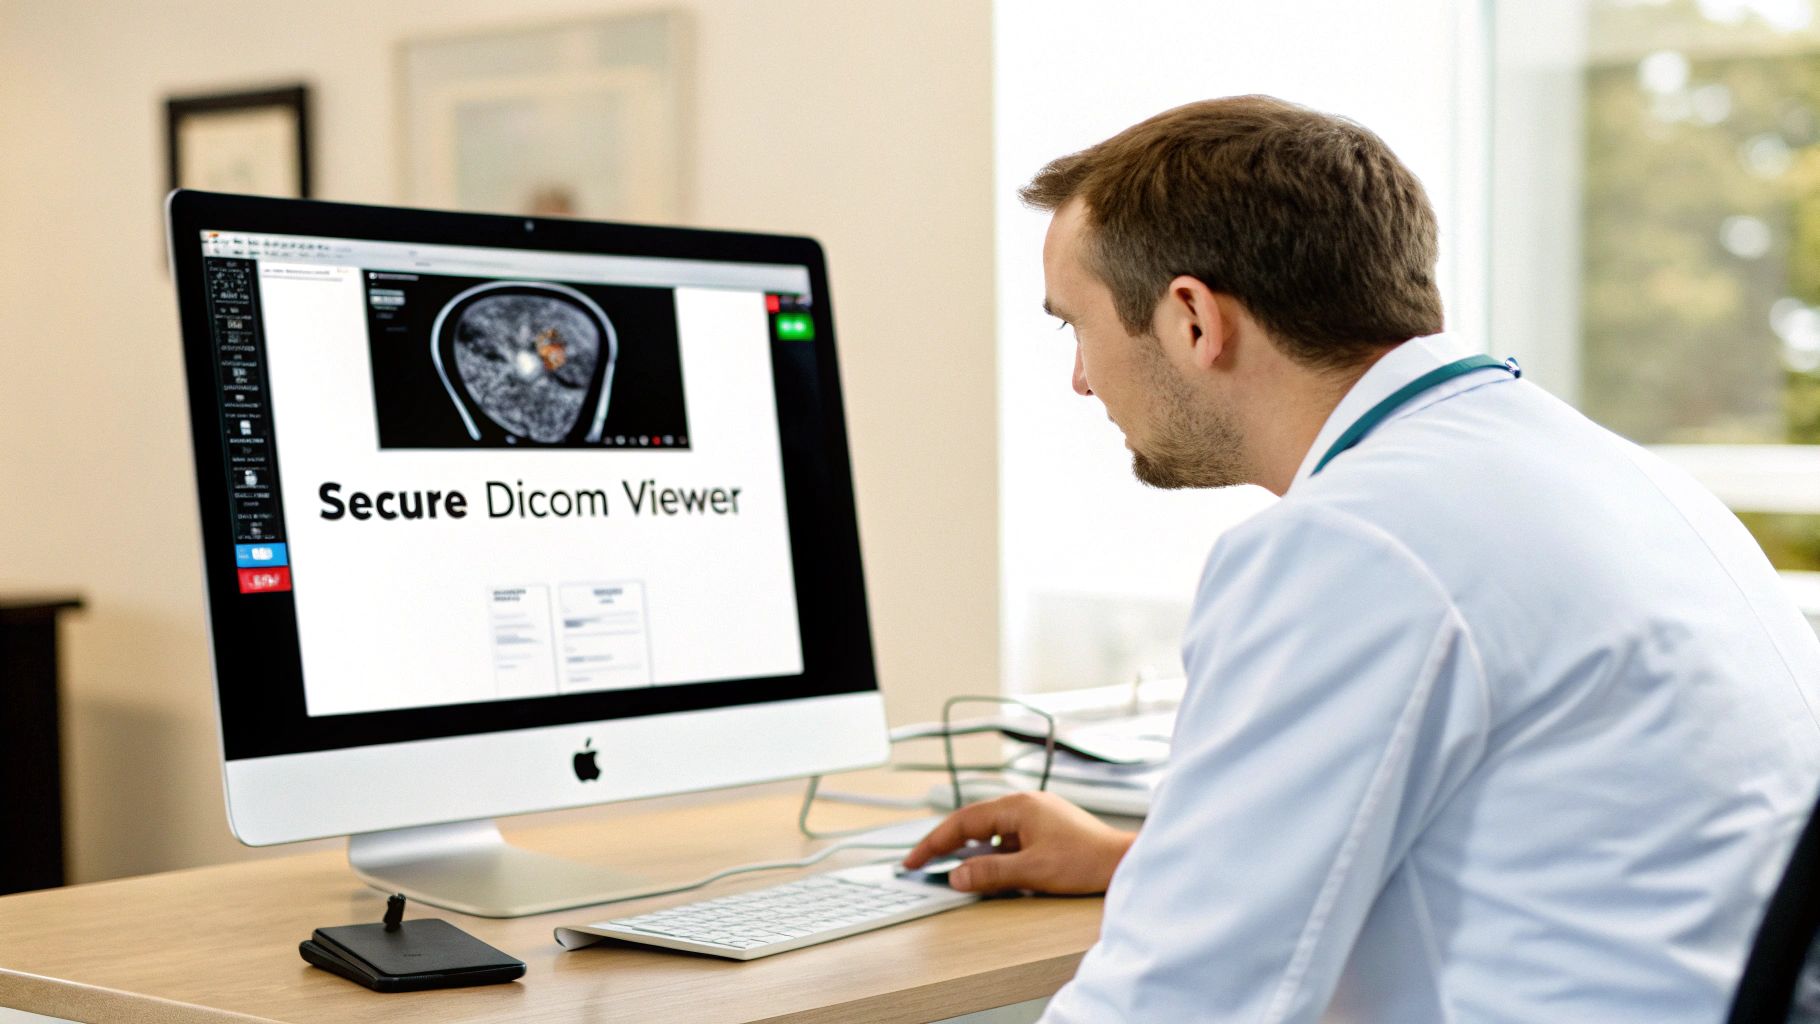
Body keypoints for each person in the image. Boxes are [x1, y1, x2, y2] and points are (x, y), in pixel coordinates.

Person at [901, 95, 1820, 1023]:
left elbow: (1177, 1001)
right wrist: (1147, 860)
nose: (1081, 378)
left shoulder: (1352, 545)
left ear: (1191, 318)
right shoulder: (1606, 472)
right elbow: (1585, 849)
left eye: (1076, 326)